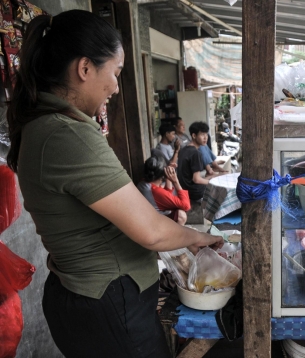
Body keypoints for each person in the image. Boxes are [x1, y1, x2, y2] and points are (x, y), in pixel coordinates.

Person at [6, 10, 223, 358]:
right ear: (85, 69)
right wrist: (201, 239)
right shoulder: (65, 133)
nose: (116, 87)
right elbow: (150, 231)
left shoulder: (47, 125)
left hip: (88, 298)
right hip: (107, 302)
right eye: (116, 72)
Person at [138, 155, 190, 225]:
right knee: (181, 215)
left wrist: (168, 177)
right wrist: (175, 182)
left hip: (147, 218)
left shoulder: (143, 183)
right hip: (154, 224)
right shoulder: (155, 191)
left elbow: (166, 194)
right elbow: (186, 206)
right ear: (163, 175)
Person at [177, 121, 221, 201]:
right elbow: (196, 179)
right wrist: (212, 182)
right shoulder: (195, 153)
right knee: (221, 187)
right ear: (194, 135)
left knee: (215, 176)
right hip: (194, 192)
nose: (205, 137)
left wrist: (212, 177)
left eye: (206, 134)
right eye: (202, 134)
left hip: (184, 189)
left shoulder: (184, 149)